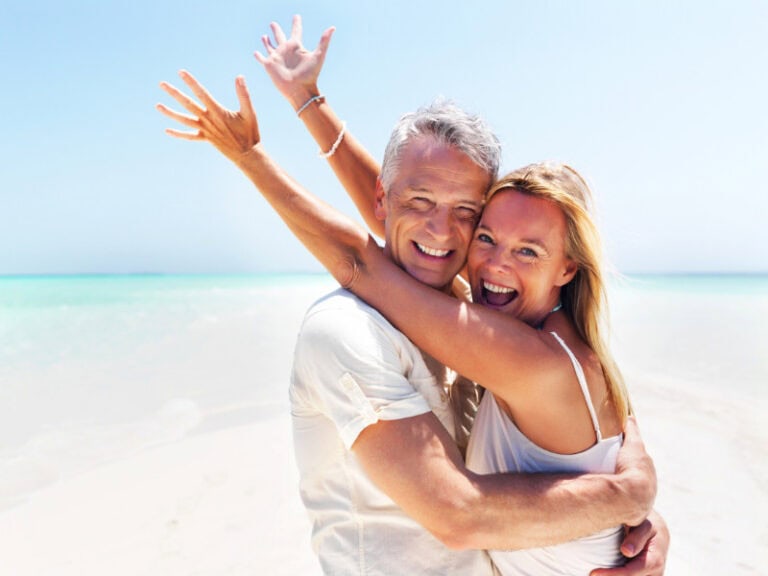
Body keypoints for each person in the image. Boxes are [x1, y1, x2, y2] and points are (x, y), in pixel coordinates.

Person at [157, 46, 667, 576]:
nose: (450, 237)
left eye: (470, 215)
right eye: (488, 237)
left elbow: (378, 243)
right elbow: (402, 229)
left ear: (568, 269)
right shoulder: (364, 328)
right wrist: (626, 497)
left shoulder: (504, 333)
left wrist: (633, 505)